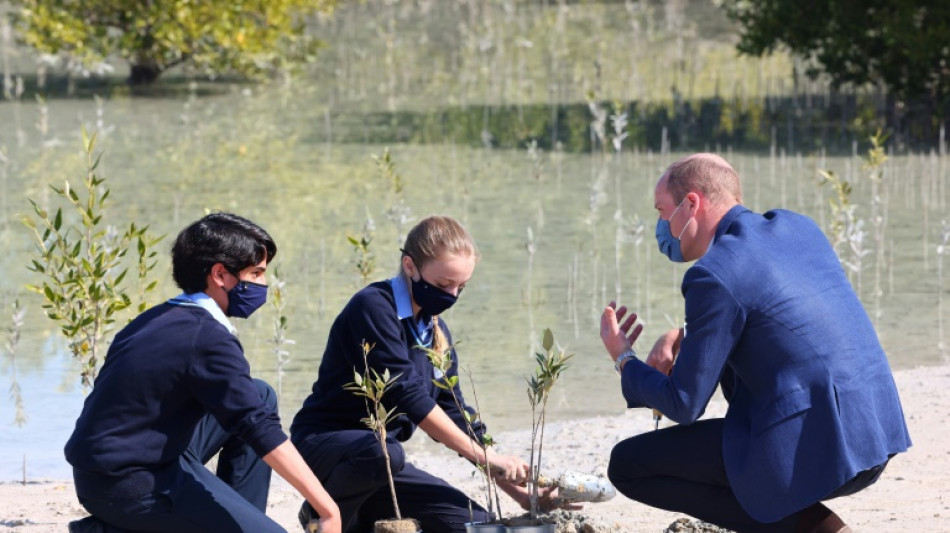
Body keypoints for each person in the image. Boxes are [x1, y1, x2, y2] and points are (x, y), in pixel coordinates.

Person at [599, 154, 911, 533]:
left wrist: (624, 358)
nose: (661, 225)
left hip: (822, 448)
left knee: (629, 465)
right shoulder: (797, 227)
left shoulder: (712, 274)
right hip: (876, 432)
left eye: (663, 211)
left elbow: (684, 404)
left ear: (691, 204)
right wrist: (681, 336)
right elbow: (779, 316)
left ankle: (821, 530)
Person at [64, 213, 341, 533]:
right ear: (220, 274)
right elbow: (257, 428)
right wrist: (327, 506)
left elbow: (248, 410)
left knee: (260, 394)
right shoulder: (206, 337)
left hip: (131, 461)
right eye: (256, 273)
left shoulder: (158, 317)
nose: (262, 284)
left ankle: (236, 519)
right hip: (124, 484)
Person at [291, 215, 562, 533]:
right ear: (410, 266)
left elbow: (455, 411)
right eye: (443, 284)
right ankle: (321, 512)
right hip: (327, 448)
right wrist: (485, 458)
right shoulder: (373, 307)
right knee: (384, 453)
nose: (452, 296)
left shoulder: (436, 332)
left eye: (461, 286)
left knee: (475, 524)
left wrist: (518, 491)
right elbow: (408, 396)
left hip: (381, 463)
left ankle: (360, 515)